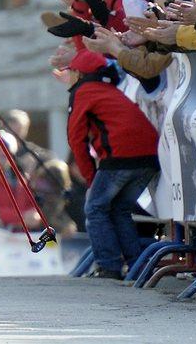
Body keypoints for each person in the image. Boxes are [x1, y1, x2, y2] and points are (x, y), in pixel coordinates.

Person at [65, 49, 159, 279]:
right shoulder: (108, 89)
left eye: (70, 71)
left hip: (120, 157)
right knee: (119, 209)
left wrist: (90, 179)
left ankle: (108, 267)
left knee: (95, 207)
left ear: (78, 73)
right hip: (150, 156)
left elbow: (76, 139)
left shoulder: (83, 92)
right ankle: (137, 267)